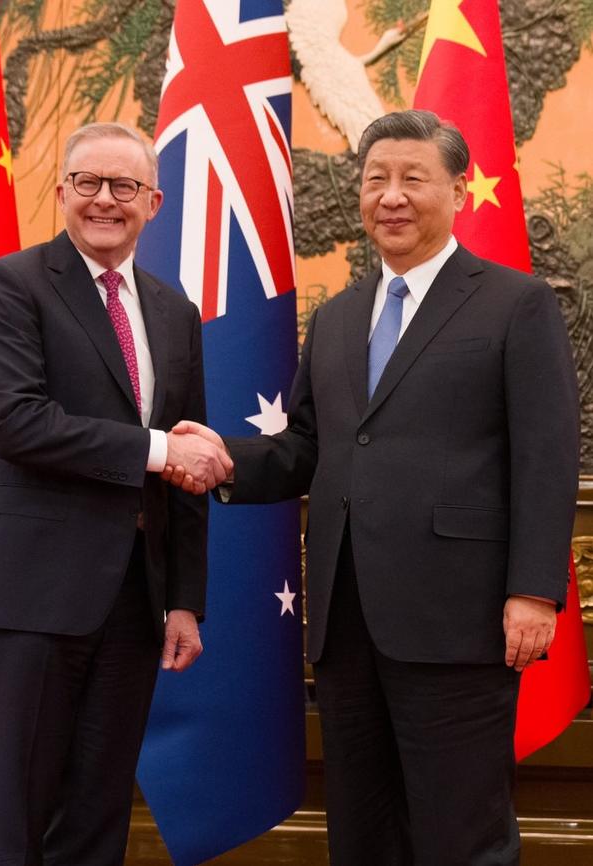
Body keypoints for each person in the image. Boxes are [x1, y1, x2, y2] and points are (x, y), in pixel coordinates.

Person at [164, 110, 580, 865]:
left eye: (412, 179)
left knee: (463, 832)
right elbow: (306, 448)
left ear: (457, 191)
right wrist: (222, 455)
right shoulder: (338, 317)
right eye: (375, 180)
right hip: (346, 623)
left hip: (461, 620)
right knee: (362, 831)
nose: (390, 196)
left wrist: (534, 590)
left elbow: (547, 455)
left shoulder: (515, 303)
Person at [0, 122, 232, 866]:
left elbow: (185, 466)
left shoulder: (174, 310)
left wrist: (183, 600)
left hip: (134, 606)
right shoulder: (9, 284)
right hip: (32, 596)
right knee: (17, 814)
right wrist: (158, 450)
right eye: (87, 183)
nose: (103, 201)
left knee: (98, 813)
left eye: (123, 187)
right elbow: (19, 423)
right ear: (60, 192)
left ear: (154, 201)